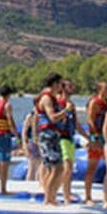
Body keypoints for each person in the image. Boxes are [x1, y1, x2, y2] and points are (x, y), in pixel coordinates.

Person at [35, 73, 70, 206]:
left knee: (58, 168)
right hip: (48, 135)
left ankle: (51, 197)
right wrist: (66, 111)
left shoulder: (53, 98)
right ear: (55, 84)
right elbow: (53, 118)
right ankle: (48, 199)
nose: (62, 87)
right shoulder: (47, 98)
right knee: (56, 168)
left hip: (54, 135)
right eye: (61, 84)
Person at [56, 79, 88, 206]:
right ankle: (64, 196)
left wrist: (87, 137)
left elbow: (76, 124)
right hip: (61, 138)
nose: (72, 88)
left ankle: (66, 193)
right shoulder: (59, 102)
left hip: (70, 138)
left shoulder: (71, 104)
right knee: (66, 167)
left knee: (68, 169)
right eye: (70, 86)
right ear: (63, 88)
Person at [85, 82, 107, 205]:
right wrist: (94, 137)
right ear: (100, 90)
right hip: (96, 137)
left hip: (106, 137)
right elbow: (90, 119)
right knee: (92, 168)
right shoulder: (94, 102)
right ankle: (88, 196)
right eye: (106, 88)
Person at [20, 110, 41, 181]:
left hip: (40, 141)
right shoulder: (30, 116)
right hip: (31, 142)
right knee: (32, 165)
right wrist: (24, 144)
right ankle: (29, 184)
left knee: (40, 165)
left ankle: (38, 183)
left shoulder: (42, 115)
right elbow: (24, 131)